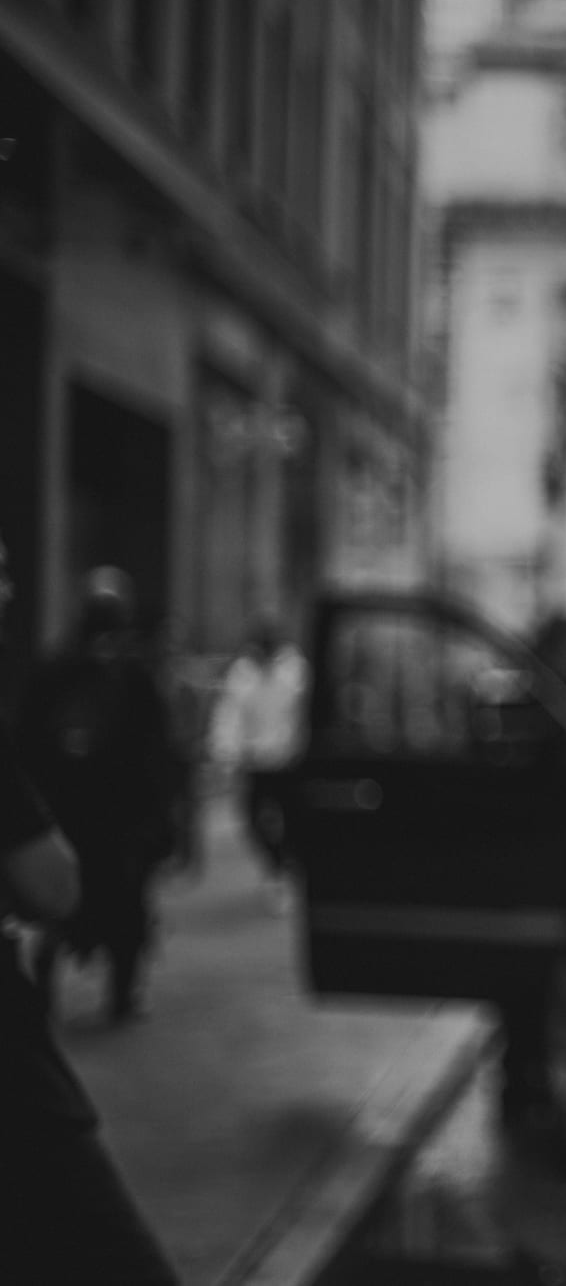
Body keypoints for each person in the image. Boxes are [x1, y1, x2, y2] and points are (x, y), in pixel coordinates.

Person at [0, 537, 178, 1281]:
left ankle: (109, 983)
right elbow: (50, 884)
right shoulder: (104, 674)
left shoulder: (75, 672)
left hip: (99, 831)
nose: (8, 590)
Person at [17, 570, 181, 1024]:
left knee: (59, 910)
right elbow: (158, 755)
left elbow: (27, 745)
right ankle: (121, 994)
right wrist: (164, 821)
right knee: (121, 911)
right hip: (116, 821)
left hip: (72, 814)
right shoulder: (133, 673)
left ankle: (49, 991)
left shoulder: (55, 667)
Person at [206, 616, 308, 908]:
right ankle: (275, 865)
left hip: (289, 760)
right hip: (255, 762)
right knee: (253, 821)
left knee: (293, 820)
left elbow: (303, 714)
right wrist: (225, 751)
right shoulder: (243, 673)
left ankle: (288, 869)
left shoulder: (296, 671)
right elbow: (229, 714)